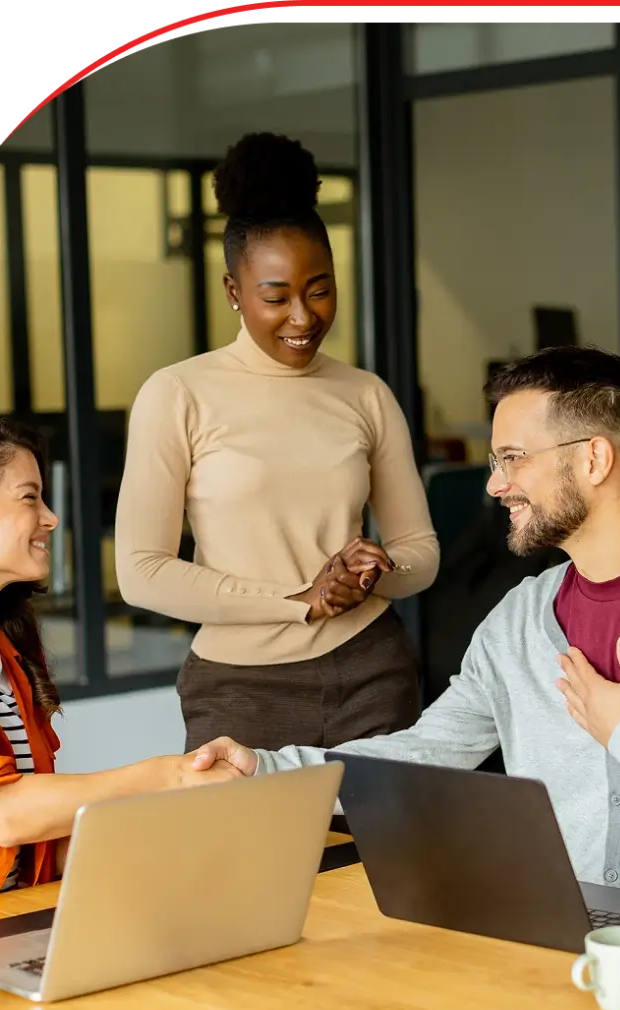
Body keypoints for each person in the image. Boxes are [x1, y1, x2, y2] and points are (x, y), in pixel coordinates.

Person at [191, 346, 620, 892]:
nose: (495, 486)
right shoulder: (519, 621)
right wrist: (270, 770)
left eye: (513, 457)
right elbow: (424, 753)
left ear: (595, 460)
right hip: (559, 943)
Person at [114, 132, 439, 757]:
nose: (303, 316)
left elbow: (420, 549)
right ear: (234, 291)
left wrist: (374, 575)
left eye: (319, 290)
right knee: (251, 857)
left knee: (383, 858)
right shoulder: (177, 393)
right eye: (276, 296)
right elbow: (141, 573)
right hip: (240, 693)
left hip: (374, 672)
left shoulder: (365, 394)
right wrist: (297, 601)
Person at [0, 412, 242, 915]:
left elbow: (34, 846)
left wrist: (178, 823)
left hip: (22, 922)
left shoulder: (5, 651)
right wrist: (170, 776)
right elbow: (0, 813)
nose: (51, 518)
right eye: (30, 498)